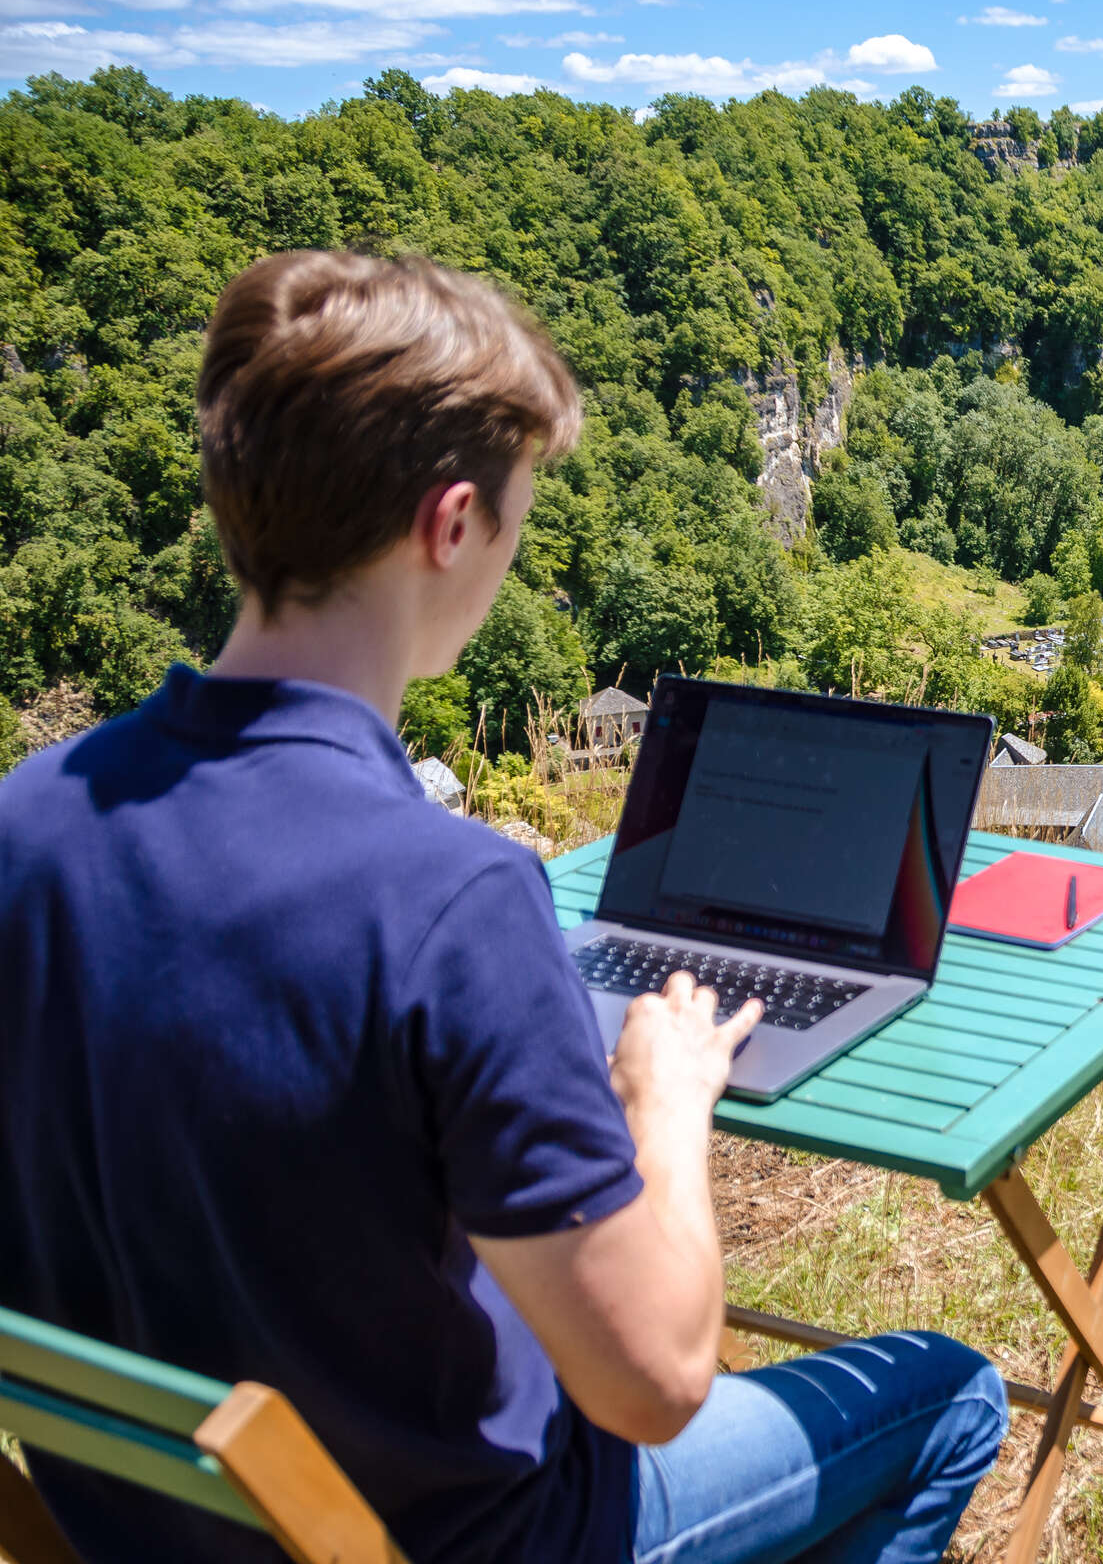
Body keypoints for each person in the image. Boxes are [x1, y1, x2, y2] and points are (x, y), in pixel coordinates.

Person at [0, 251, 1006, 1563]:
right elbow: (652, 1384)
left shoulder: (28, 819)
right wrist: (665, 1106)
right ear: (452, 524)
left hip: (145, 1528)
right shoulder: (451, 899)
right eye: (521, 513)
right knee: (951, 1394)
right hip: (472, 1536)